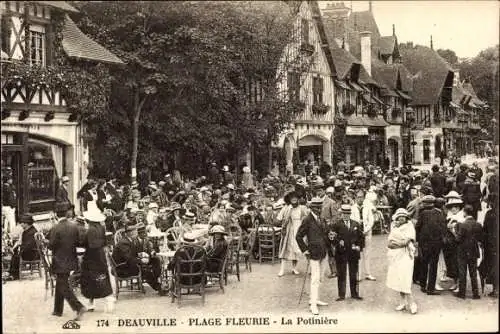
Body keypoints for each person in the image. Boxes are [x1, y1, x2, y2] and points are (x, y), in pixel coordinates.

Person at [49, 204, 87, 320]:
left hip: (59, 260)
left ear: (56, 214)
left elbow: (51, 246)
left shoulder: (55, 228)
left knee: (63, 285)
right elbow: (77, 241)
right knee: (62, 282)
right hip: (71, 259)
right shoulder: (73, 226)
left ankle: (78, 307)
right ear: (66, 214)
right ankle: (57, 310)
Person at [296, 197, 330, 315]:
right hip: (313, 253)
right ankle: (313, 305)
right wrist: (305, 250)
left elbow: (325, 234)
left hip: (323, 252)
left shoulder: (322, 219)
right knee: (315, 279)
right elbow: (298, 236)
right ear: (311, 208)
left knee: (320, 278)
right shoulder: (307, 220)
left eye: (320, 207)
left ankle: (315, 299)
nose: (319, 209)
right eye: (316, 207)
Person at [80, 210, 114, 312]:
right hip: (100, 256)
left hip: (91, 257)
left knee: (89, 279)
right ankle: (105, 299)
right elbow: (104, 241)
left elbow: (87, 244)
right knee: (102, 277)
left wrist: (80, 241)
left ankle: (93, 301)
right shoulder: (101, 228)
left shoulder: (90, 230)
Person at [330, 204, 365, 302]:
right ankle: (341, 295)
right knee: (341, 274)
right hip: (341, 253)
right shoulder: (336, 224)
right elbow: (331, 237)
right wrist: (337, 242)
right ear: (341, 214)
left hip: (353, 252)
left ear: (350, 214)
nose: (346, 215)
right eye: (344, 214)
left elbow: (361, 237)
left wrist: (359, 246)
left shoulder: (356, 224)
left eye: (348, 213)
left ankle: (355, 293)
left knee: (354, 273)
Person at [386, 208, 417, 314]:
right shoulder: (394, 227)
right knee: (399, 278)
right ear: (397, 218)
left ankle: (412, 303)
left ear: (406, 217)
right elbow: (389, 243)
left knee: (406, 279)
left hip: (406, 256)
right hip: (396, 256)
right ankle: (403, 302)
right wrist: (398, 243)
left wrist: (398, 243)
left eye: (404, 216)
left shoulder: (410, 226)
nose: (402, 218)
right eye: (400, 217)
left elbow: (407, 241)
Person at [415, 195, 446, 295]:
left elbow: (418, 227)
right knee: (433, 266)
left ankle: (423, 285)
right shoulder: (440, 214)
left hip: (424, 243)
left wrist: (418, 240)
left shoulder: (423, 213)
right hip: (435, 244)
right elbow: (443, 229)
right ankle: (430, 288)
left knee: (424, 263)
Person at [455, 205, 483, 299]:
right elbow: (480, 238)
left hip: (462, 251)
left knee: (462, 272)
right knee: (473, 273)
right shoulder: (478, 225)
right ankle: (476, 294)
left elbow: (458, 239)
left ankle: (462, 293)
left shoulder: (462, 225)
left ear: (465, 212)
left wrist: (454, 231)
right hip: (473, 251)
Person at [278, 192, 307, 277]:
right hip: (289, 230)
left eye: (295, 198)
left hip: (299, 230)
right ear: (289, 200)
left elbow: (306, 218)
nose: (294, 199)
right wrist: (284, 224)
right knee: (285, 249)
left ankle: (294, 268)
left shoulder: (302, 208)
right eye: (292, 198)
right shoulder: (286, 208)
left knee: (297, 250)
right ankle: (282, 269)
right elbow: (279, 218)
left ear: (298, 199)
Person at [443, 194, 466, 292]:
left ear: (459, 208)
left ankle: (459, 284)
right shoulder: (449, 216)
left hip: (458, 244)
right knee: (451, 263)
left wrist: (452, 229)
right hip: (450, 244)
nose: (453, 209)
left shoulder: (461, 218)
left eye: (455, 207)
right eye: (452, 207)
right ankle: (455, 282)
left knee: (458, 264)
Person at [8, 214, 40, 280]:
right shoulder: (28, 231)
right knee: (15, 254)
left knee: (16, 256)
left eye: (21, 223)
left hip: (33, 254)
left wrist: (20, 250)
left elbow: (29, 246)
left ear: (26, 223)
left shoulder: (31, 232)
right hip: (31, 252)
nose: (21, 225)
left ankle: (14, 275)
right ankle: (12, 274)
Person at [482, 193, 498, 297]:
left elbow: (485, 229)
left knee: (493, 265)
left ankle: (496, 289)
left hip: (491, 244)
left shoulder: (490, 214)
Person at [361, 190, 377, 281]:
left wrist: (365, 230)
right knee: (358, 253)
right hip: (359, 233)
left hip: (366, 233)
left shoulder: (368, 206)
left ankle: (368, 273)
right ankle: (358, 274)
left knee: (367, 253)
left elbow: (371, 221)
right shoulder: (355, 207)